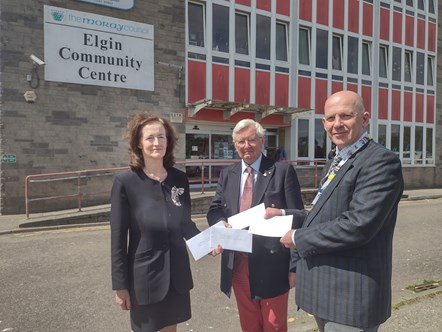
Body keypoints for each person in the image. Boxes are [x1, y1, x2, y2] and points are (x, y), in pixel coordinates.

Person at [266, 90, 404, 331]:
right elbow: (326, 214)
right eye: (331, 118)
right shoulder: (337, 159)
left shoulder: (380, 162)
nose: (337, 124)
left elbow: (358, 225)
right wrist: (289, 215)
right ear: (324, 123)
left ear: (364, 118)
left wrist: (298, 237)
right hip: (326, 293)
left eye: (346, 116)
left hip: (350, 298)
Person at [110, 113, 220, 332]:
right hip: (145, 279)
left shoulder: (179, 179)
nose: (156, 142)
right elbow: (118, 240)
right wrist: (120, 285)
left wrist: (208, 243)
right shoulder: (125, 182)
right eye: (150, 137)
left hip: (176, 277)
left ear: (168, 141)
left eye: (161, 137)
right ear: (139, 144)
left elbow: (185, 224)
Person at [207, 119, 304, 331]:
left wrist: (294, 266)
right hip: (238, 262)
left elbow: (299, 217)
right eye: (241, 141)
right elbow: (215, 208)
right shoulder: (228, 174)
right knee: (249, 325)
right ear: (234, 145)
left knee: (274, 325)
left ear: (262, 141)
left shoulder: (282, 171)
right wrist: (219, 222)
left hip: (273, 264)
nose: (246, 146)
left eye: (252, 140)